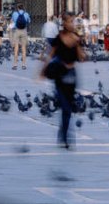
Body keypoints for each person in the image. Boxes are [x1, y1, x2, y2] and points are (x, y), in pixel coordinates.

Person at [42, 12, 84, 149]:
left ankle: (63, 134)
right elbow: (51, 55)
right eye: (71, 21)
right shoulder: (58, 38)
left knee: (68, 109)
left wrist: (78, 44)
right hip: (60, 75)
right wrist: (42, 71)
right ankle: (65, 137)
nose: (73, 24)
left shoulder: (77, 38)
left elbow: (82, 58)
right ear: (64, 23)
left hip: (72, 76)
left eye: (73, 21)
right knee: (65, 107)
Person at [11, 4, 31, 70]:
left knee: (16, 48)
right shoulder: (26, 14)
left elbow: (13, 21)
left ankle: (15, 64)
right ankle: (23, 65)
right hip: (24, 31)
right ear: (23, 8)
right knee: (23, 48)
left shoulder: (15, 13)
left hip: (17, 31)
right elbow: (29, 21)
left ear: (18, 8)